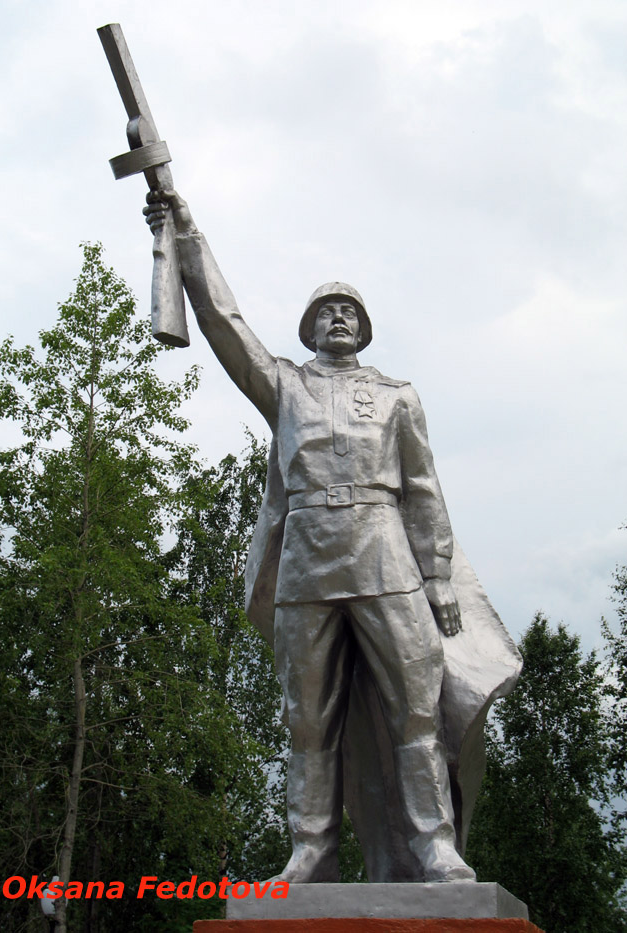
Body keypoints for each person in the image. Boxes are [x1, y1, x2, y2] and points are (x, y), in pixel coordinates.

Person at [144, 190, 519, 884]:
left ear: (364, 328)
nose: (339, 317)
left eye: (349, 309)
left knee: (415, 709)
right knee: (306, 719)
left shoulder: (398, 396)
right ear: (310, 329)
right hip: (309, 564)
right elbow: (225, 324)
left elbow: (424, 489)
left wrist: (437, 578)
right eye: (326, 310)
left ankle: (433, 846)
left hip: (386, 557)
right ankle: (311, 850)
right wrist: (186, 232)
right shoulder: (284, 386)